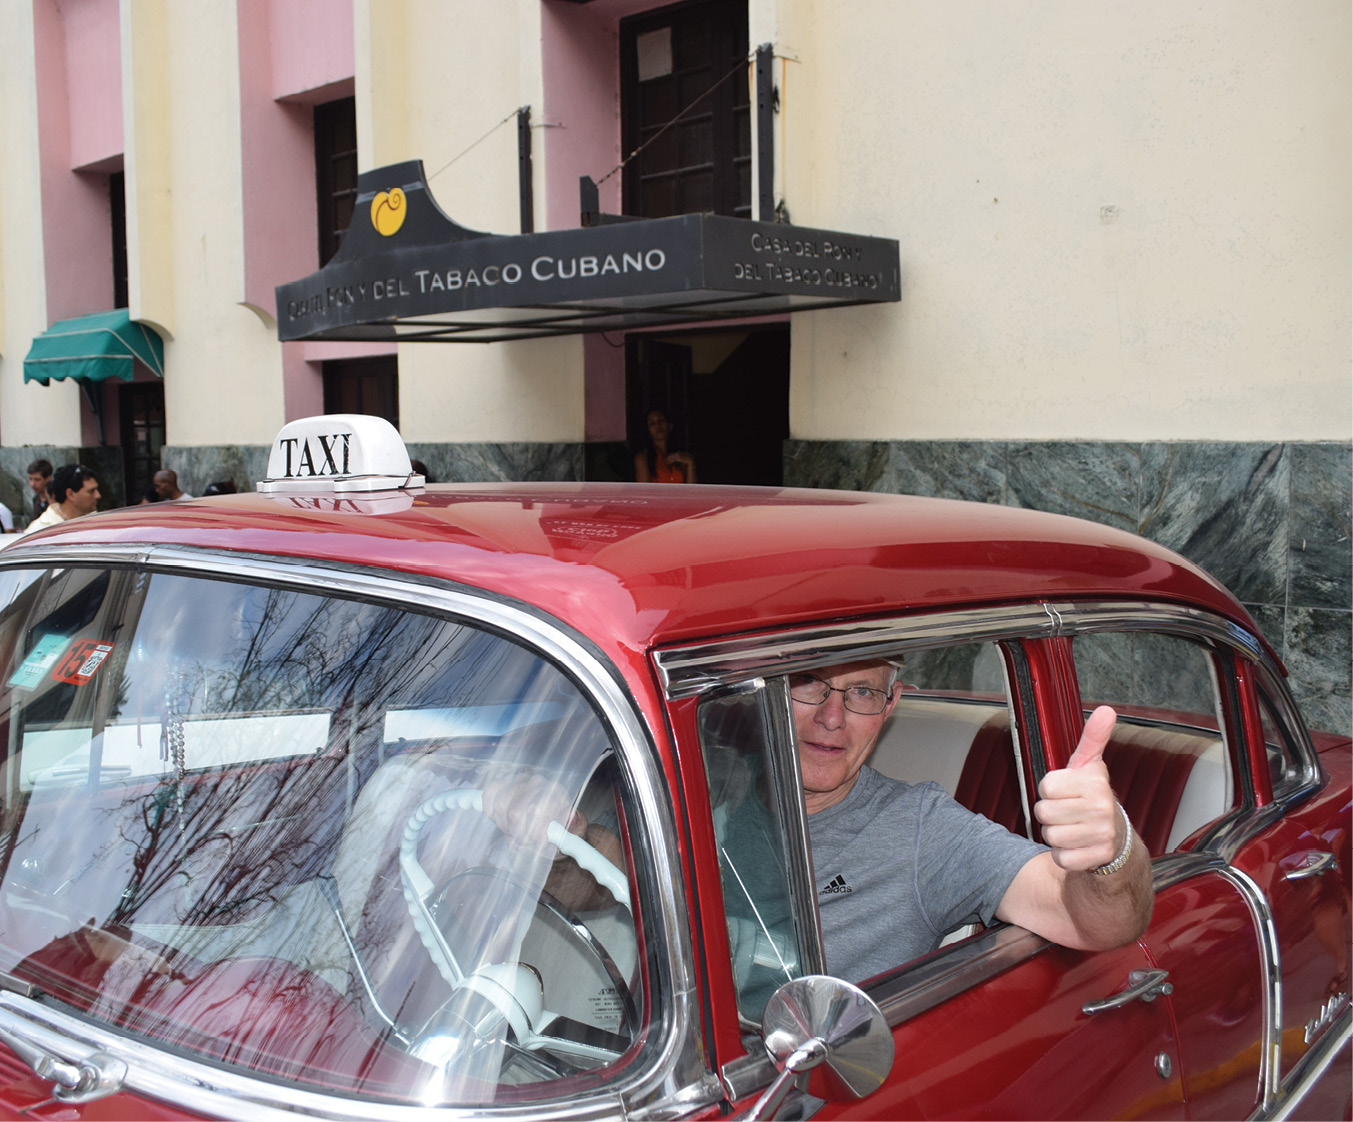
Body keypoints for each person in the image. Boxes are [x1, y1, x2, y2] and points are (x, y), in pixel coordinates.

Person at [791, 661, 1152, 981]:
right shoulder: (733, 785)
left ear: (890, 704)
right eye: (809, 680)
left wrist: (1112, 852)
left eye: (863, 692)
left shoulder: (920, 830)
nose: (832, 717)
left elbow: (1102, 923)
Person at [19, 464, 102, 536]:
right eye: (91, 491)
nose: (98, 495)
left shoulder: (97, 521)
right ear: (70, 494)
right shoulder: (39, 531)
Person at [634, 410, 696, 484]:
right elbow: (643, 492)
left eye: (661, 420)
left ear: (670, 426)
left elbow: (692, 491)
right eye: (652, 423)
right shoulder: (643, 458)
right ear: (648, 431)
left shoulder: (682, 456)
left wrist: (690, 463)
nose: (658, 425)